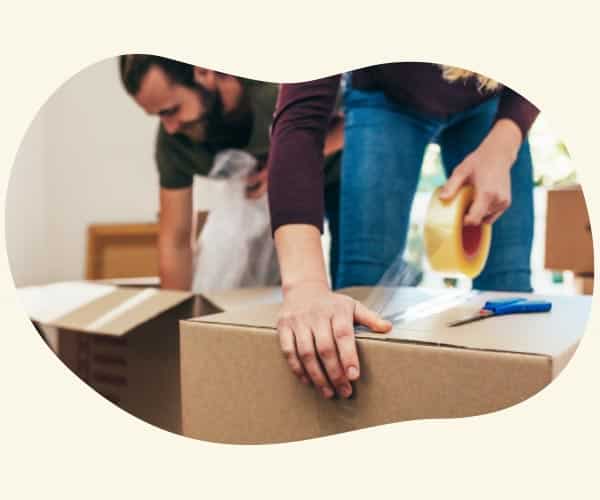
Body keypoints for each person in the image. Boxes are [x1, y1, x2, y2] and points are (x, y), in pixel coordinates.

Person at [267, 62, 539, 400]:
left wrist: (504, 143)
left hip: (493, 102)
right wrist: (304, 286)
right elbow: (301, 119)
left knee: (509, 288)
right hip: (386, 93)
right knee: (365, 295)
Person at [119, 55, 343, 290]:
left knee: (349, 280)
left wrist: (286, 165)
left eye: (172, 110)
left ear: (203, 72)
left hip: (335, 177)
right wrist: (174, 317)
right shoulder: (174, 143)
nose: (170, 127)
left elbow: (353, 121)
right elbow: (176, 240)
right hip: (269, 211)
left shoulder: (271, 90)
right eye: (158, 115)